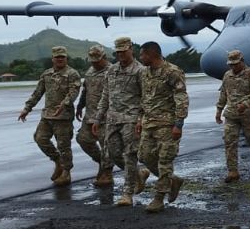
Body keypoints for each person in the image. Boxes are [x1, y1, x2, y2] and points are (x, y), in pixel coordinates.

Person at [95, 37, 149, 207]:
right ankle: (138, 174)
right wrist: (98, 117)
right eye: (117, 52)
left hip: (131, 119)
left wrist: (141, 119)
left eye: (123, 51)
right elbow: (106, 94)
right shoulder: (111, 70)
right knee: (112, 153)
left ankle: (127, 193)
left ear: (131, 49)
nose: (120, 55)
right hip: (112, 118)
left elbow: (146, 98)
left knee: (130, 154)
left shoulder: (141, 70)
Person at [136, 41, 189, 213]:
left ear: (151, 54)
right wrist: (139, 119)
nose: (140, 57)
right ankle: (173, 180)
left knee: (164, 161)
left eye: (142, 54)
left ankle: (159, 198)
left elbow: (181, 98)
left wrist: (178, 124)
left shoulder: (172, 72)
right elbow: (144, 99)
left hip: (167, 125)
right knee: (144, 156)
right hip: (148, 123)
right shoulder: (144, 73)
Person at [18, 46, 81, 186]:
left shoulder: (72, 74)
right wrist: (26, 109)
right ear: (52, 59)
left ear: (66, 58)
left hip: (63, 116)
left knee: (64, 145)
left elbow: (74, 92)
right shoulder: (46, 74)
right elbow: (37, 93)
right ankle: (57, 161)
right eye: (57, 57)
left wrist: (64, 104)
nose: (60, 59)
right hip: (47, 115)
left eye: (62, 57)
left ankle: (66, 172)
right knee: (40, 138)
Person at [215, 50, 250, 183]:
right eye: (230, 64)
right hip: (231, 114)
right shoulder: (227, 75)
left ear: (242, 61)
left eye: (235, 64)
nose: (233, 67)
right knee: (229, 141)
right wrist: (219, 110)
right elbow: (223, 94)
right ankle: (233, 172)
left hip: (247, 114)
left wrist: (246, 103)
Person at [75, 44, 113, 187]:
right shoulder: (90, 72)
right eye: (92, 60)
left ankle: (107, 173)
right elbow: (86, 90)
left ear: (104, 57)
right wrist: (80, 106)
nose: (94, 63)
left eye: (97, 60)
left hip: (106, 116)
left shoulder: (113, 71)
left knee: (107, 146)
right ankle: (101, 163)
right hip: (90, 114)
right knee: (83, 140)